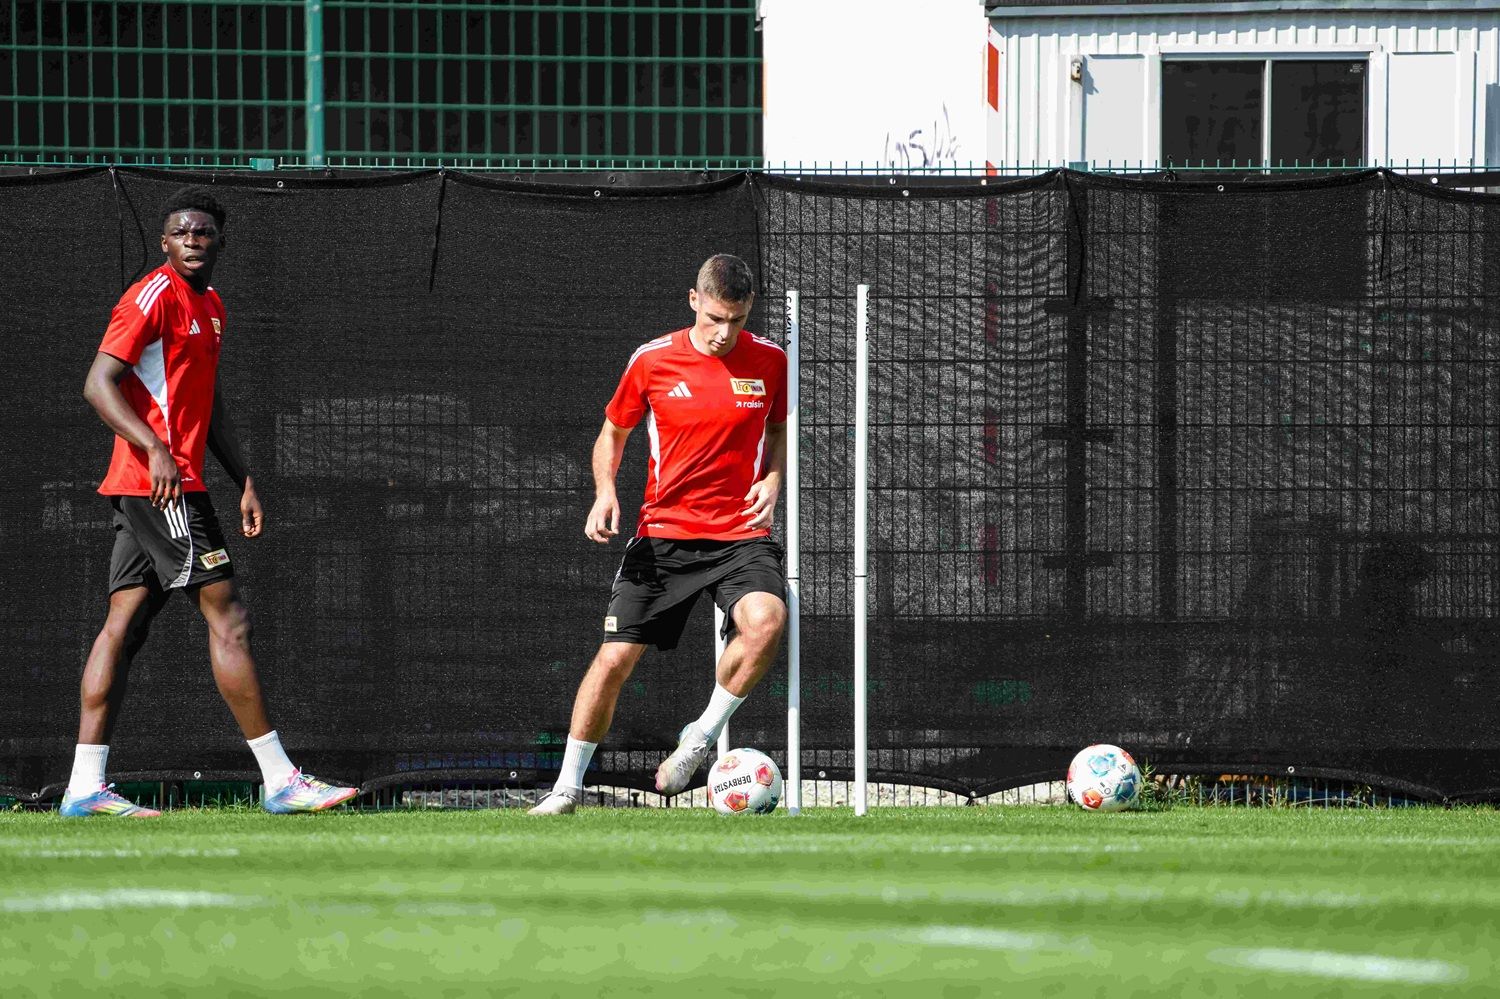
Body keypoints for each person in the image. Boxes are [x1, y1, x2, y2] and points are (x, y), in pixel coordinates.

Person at [60, 187, 357, 818]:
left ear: (219, 241)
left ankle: (84, 786)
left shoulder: (212, 304)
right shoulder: (150, 296)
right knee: (230, 620)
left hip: (166, 485)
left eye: (204, 232)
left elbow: (207, 401)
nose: (193, 240)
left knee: (122, 626)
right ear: (164, 243)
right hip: (160, 487)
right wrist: (155, 449)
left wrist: (243, 477)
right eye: (181, 232)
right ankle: (280, 780)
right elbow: (97, 384)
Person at [530, 254, 788, 814]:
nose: (723, 333)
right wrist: (605, 491)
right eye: (714, 318)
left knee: (767, 621)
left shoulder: (771, 359)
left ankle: (699, 739)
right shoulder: (652, 359)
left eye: (737, 321)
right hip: (664, 534)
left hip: (741, 534)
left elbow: (777, 429)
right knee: (613, 661)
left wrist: (772, 479)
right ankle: (566, 788)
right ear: (694, 301)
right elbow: (613, 432)